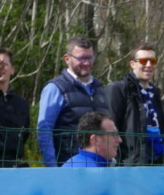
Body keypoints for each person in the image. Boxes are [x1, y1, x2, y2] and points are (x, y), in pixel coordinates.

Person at [37, 37, 110, 167]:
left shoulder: (100, 90)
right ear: (67, 58)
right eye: (81, 58)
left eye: (90, 58)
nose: (87, 63)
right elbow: (44, 129)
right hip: (68, 167)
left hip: (100, 168)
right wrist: (52, 168)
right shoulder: (55, 88)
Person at [107, 43, 164, 165]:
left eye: (153, 61)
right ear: (133, 64)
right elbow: (110, 128)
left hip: (158, 164)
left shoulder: (155, 94)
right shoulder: (118, 89)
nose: (149, 65)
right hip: (130, 164)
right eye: (144, 61)